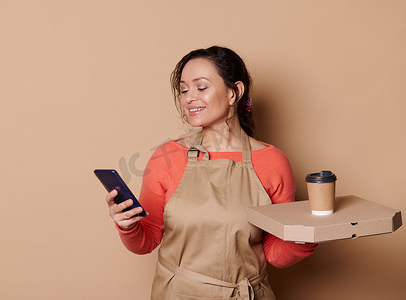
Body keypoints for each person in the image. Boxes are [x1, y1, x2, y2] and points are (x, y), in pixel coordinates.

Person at [106, 46, 317, 300]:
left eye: (201, 87)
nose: (189, 98)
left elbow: (273, 251)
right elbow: (147, 240)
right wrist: (128, 226)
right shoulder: (167, 158)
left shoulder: (272, 161)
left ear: (234, 92)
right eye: (184, 90)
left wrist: (308, 236)